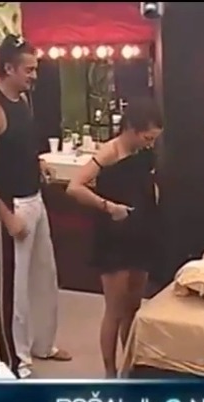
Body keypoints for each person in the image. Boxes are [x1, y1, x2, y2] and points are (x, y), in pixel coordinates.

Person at [0, 34, 72, 379]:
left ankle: (43, 344)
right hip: (10, 206)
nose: (34, 75)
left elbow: (18, 146)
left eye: (35, 69)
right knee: (14, 289)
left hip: (35, 199)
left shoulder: (23, 100)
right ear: (9, 68)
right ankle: (14, 360)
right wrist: (7, 217)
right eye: (29, 69)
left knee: (45, 277)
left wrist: (38, 164)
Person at [65, 97, 163, 378]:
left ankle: (129, 366)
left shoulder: (145, 151)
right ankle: (110, 372)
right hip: (114, 237)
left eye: (154, 139)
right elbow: (74, 186)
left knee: (133, 306)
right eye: (147, 137)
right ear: (131, 128)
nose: (150, 143)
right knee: (115, 310)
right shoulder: (110, 152)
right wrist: (109, 207)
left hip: (141, 232)